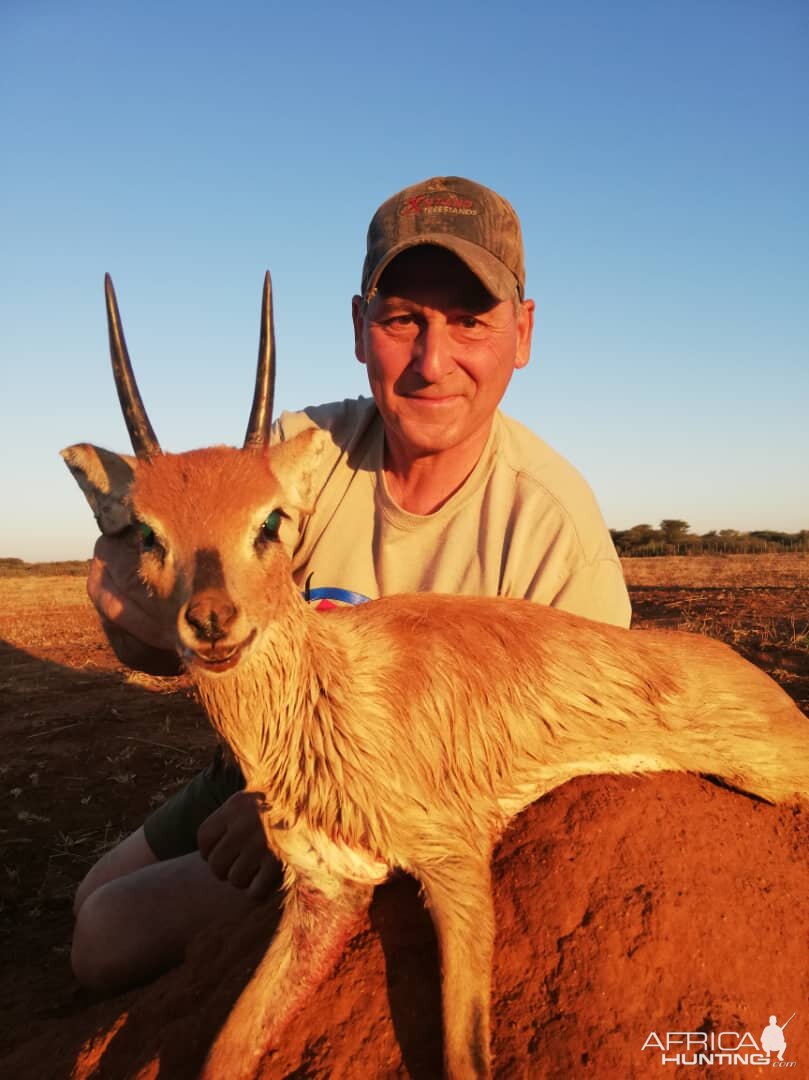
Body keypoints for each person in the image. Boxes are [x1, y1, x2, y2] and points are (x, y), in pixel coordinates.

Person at [71, 175, 631, 992]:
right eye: (402, 319)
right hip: (255, 771)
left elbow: (573, 781)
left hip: (391, 814)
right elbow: (135, 584)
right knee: (86, 892)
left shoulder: (554, 531)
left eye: (469, 321)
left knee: (107, 932)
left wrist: (303, 813)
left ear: (523, 332)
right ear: (360, 329)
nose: (432, 362)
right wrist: (147, 604)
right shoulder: (301, 454)